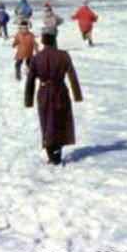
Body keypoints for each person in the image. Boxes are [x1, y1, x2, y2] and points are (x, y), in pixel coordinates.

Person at [24, 31, 83, 165]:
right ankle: (57, 151)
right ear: (55, 41)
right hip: (60, 91)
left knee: (47, 121)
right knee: (60, 121)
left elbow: (30, 80)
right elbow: (72, 75)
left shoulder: (37, 57)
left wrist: (28, 100)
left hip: (44, 92)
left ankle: (51, 152)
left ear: (43, 42)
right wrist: (77, 95)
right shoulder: (63, 55)